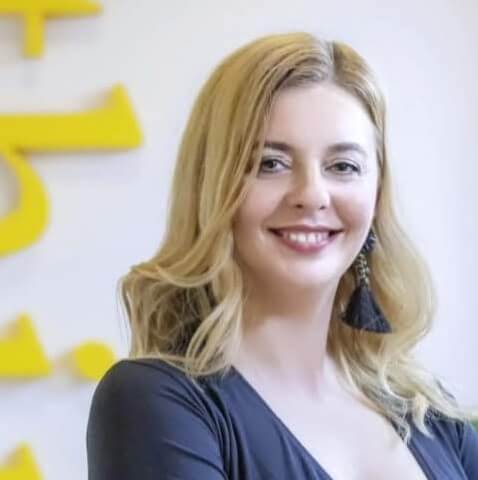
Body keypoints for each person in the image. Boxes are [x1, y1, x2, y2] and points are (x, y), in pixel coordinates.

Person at [86, 32, 478, 479]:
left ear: (376, 193)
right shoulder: (154, 402)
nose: (312, 194)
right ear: (212, 188)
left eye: (343, 166)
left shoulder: (432, 416)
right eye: (270, 163)